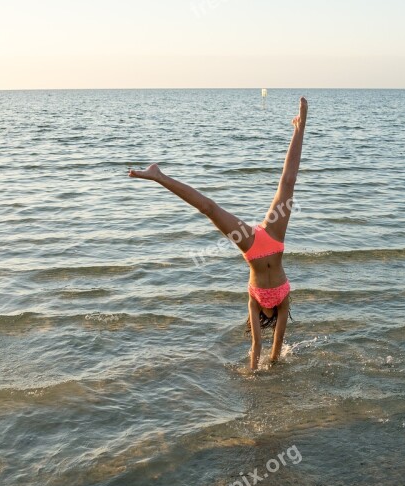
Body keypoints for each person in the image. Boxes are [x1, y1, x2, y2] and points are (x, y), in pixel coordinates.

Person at [129, 97, 308, 370]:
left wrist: (262, 371)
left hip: (254, 246)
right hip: (271, 240)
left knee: (211, 209)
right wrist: (255, 374)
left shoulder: (256, 303)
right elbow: (259, 346)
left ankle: (158, 176)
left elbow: (273, 347)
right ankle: (159, 175)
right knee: (285, 184)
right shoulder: (280, 301)